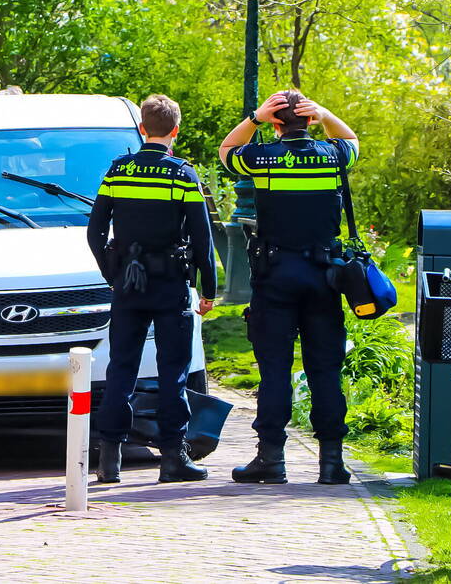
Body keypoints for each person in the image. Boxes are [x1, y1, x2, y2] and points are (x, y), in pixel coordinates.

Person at [219, 90, 359, 485]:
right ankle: (332, 461)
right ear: (309, 121)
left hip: (276, 274)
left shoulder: (261, 158)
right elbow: (352, 140)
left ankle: (271, 458)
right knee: (325, 368)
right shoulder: (333, 156)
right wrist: (325, 112)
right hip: (324, 276)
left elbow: (227, 149)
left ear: (276, 123)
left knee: (275, 368)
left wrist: (255, 117)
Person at [86, 94, 217, 484]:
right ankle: (173, 458)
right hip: (171, 284)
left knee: (121, 369)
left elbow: (95, 232)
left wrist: (114, 273)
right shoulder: (182, 175)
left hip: (129, 284)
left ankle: (109, 460)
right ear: (175, 131)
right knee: (172, 372)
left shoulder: (118, 171)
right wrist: (207, 290)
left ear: (142, 128)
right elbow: (202, 237)